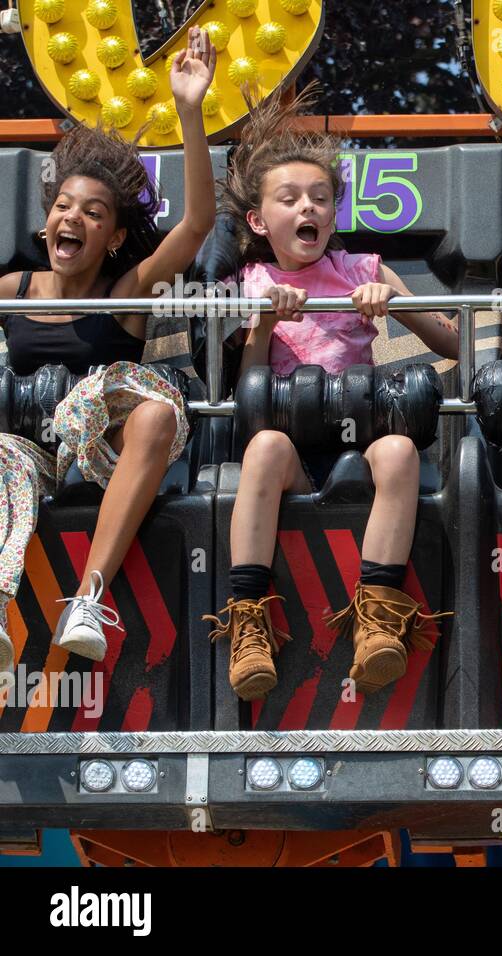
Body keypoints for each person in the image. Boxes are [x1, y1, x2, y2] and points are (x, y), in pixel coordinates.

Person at [205, 86, 458, 701]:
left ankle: (376, 619)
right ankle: (248, 622)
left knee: (399, 451)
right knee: (262, 448)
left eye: (320, 198)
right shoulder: (250, 281)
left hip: (358, 435)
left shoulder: (363, 270)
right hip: (290, 440)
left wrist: (395, 304)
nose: (308, 208)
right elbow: (249, 388)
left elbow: (452, 342)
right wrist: (265, 322)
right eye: (290, 199)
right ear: (262, 221)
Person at [0, 28, 216, 677]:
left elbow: (199, 223)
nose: (74, 218)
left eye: (94, 212)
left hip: (96, 453)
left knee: (156, 410)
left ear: (114, 234)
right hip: (27, 454)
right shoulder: (13, 289)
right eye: (64, 205)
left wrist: (190, 111)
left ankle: (87, 603)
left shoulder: (124, 293)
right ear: (47, 224)